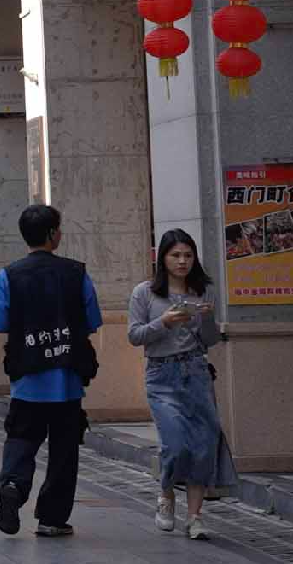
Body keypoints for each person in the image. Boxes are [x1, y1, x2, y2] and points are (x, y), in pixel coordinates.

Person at [0, 204, 101, 539]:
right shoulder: (76, 272)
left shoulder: (8, 275)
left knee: (21, 441)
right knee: (64, 452)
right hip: (67, 381)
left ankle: (13, 484)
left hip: (27, 380)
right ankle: (52, 518)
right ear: (53, 234)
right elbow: (92, 320)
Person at [129, 229, 232, 540]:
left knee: (203, 444)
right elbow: (134, 335)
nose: (182, 261)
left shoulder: (204, 291)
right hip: (162, 375)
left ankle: (196, 516)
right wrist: (165, 322)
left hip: (197, 371)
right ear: (162, 258)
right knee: (176, 444)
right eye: (175, 255)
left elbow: (211, 340)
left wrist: (208, 320)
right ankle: (166, 494)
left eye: (188, 255)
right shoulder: (145, 293)